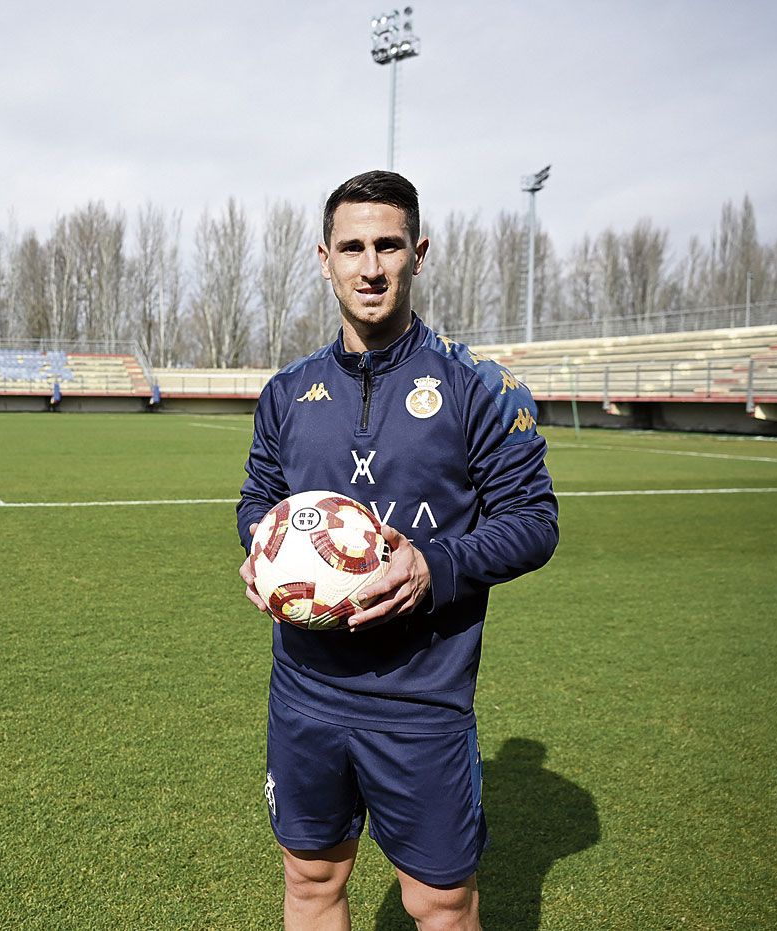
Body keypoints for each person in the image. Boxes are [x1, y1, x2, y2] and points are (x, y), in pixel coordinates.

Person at [237, 170, 559, 931]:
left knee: (440, 903)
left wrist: (435, 565)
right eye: (352, 247)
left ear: (418, 252)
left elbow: (534, 520)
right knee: (311, 878)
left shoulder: (479, 385)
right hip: (306, 692)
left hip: (422, 699)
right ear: (325, 258)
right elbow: (257, 500)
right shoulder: (288, 391)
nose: (370, 266)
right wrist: (261, 548)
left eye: (387, 245)